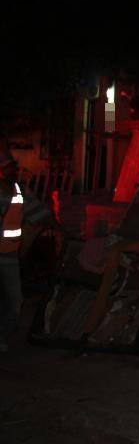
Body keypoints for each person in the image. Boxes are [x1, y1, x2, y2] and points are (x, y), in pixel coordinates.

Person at [0, 150, 51, 352]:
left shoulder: (20, 192)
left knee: (14, 300)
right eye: (8, 168)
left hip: (9, 256)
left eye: (14, 167)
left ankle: (2, 334)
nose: (13, 171)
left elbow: (40, 214)